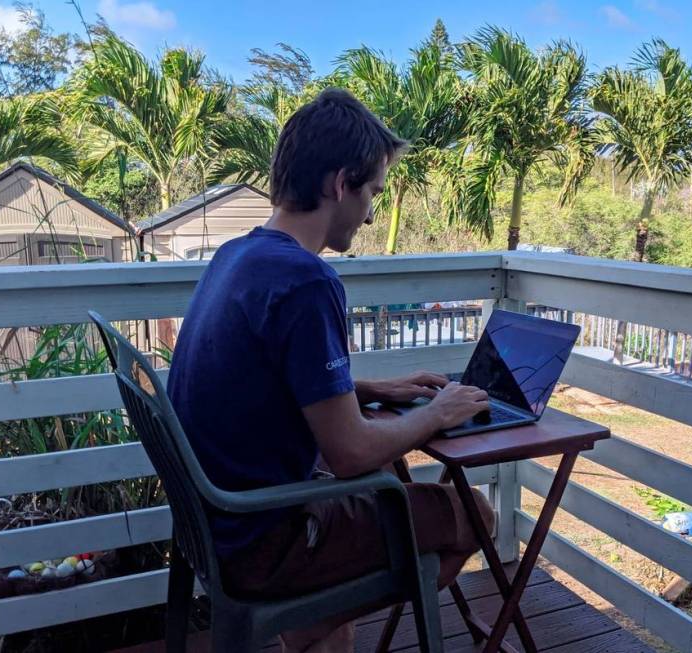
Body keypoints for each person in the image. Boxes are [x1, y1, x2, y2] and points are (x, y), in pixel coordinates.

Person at [168, 88, 494, 653]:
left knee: (391, 485)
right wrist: (438, 412)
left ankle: (316, 623)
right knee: (476, 514)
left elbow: (259, 380)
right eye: (371, 191)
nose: (371, 211)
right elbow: (348, 455)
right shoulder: (307, 281)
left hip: (215, 525)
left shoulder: (237, 256)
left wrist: (363, 388)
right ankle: (312, 614)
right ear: (338, 184)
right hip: (266, 539)